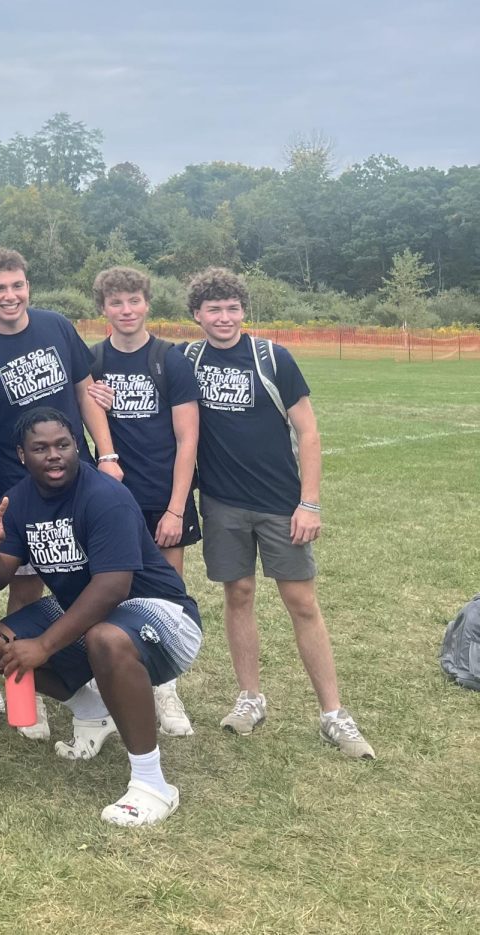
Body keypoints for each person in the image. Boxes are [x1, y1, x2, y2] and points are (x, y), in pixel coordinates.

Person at [0, 408, 203, 826]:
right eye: (40, 448)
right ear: (22, 455)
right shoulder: (20, 500)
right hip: (92, 612)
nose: (54, 455)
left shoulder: (105, 496)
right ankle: (94, 712)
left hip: (163, 614)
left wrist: (44, 645)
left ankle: (153, 784)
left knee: (105, 639)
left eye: (63, 445)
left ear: (77, 446)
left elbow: (113, 586)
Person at [184, 267, 375, 758]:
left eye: (232, 308)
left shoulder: (273, 357)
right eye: (213, 309)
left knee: (302, 602)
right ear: (197, 315)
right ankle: (250, 698)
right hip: (223, 503)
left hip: (281, 504)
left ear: (243, 310)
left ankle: (333, 713)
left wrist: (309, 502)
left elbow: (308, 432)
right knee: (239, 593)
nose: (224, 318)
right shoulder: (187, 359)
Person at [0, 249, 122, 735]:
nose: (11, 296)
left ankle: (106, 674)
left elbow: (85, 392)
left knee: (76, 581)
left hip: (78, 481)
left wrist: (107, 455)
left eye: (18, 285)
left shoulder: (55, 326)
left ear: (28, 286)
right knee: (11, 584)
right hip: (17, 490)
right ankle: (14, 687)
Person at [85, 266, 200, 739]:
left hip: (162, 497)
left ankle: (166, 690)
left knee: (165, 597)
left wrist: (176, 509)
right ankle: (109, 687)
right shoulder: (93, 361)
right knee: (110, 592)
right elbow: (85, 420)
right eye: (116, 303)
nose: (126, 310)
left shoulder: (169, 359)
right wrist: (96, 405)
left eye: (134, 300)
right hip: (112, 501)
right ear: (103, 309)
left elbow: (187, 440)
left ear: (147, 302)